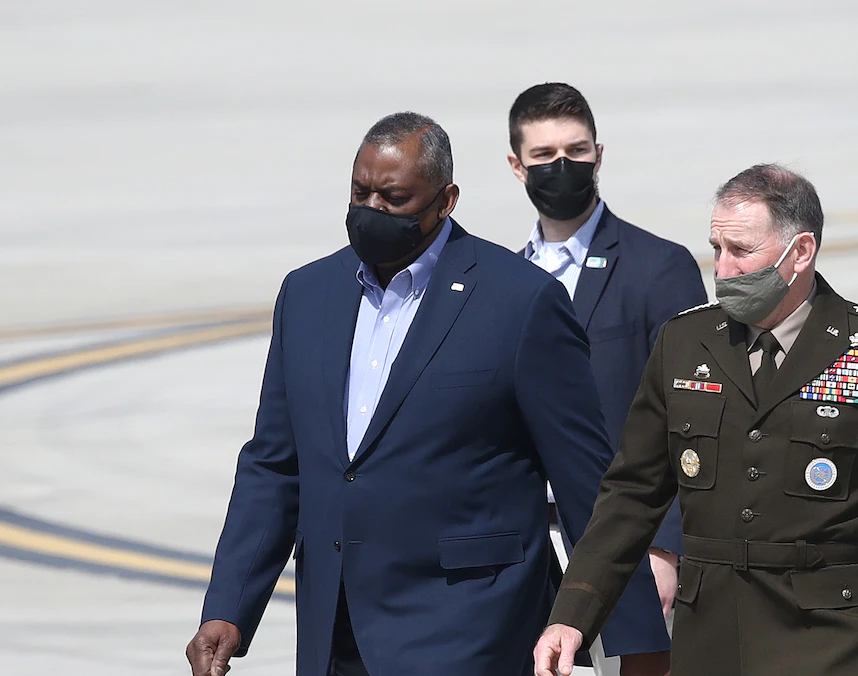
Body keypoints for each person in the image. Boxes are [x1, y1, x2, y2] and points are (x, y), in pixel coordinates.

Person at [184, 112, 669, 676]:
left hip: (470, 631)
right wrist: (229, 608)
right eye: (360, 193)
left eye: (394, 198)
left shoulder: (519, 301)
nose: (372, 209)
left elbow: (586, 478)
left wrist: (637, 641)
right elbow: (274, 465)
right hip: (335, 632)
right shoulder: (307, 294)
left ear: (446, 201)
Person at [534, 164, 858, 676]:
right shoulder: (684, 343)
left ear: (801, 252)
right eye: (717, 248)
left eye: (741, 250)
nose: (722, 269)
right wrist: (572, 615)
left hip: (831, 646)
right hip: (710, 644)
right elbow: (631, 496)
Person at [508, 82, 708, 630]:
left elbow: (694, 415)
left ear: (598, 154)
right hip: (521, 546)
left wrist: (666, 546)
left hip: (624, 543)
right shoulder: (503, 278)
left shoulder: (658, 268)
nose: (562, 165)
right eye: (544, 154)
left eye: (576, 150)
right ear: (517, 166)